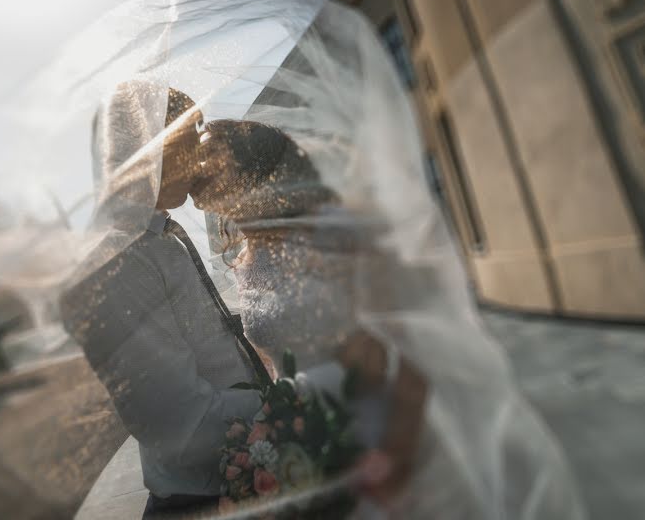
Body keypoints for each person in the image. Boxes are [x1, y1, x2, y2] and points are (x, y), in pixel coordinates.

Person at [191, 119, 584, 518]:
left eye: (208, 165)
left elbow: (416, 349)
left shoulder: (338, 234)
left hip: (383, 437)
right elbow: (278, 369)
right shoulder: (244, 260)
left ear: (250, 172)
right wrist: (275, 441)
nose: (195, 176)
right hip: (307, 448)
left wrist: (394, 457)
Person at [60, 81, 263, 518]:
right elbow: (181, 424)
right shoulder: (115, 258)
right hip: (205, 501)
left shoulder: (155, 235)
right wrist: (283, 405)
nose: (202, 158)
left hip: (235, 482)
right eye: (190, 140)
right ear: (148, 146)